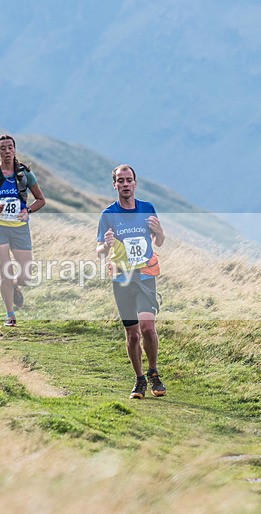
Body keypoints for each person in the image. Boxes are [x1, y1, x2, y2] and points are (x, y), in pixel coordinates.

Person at [96, 164, 167, 399]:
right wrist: (105, 244)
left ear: (135, 183)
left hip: (146, 276)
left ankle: (153, 372)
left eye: (129, 180)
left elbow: (159, 241)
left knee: (147, 327)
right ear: (114, 185)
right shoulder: (108, 214)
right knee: (133, 334)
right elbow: (99, 251)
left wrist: (160, 231)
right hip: (122, 279)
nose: (125, 184)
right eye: (120, 181)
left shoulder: (147, 208)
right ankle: (139, 380)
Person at [0, 134, 46, 326]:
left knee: (26, 276)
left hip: (19, 229)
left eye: (10, 147)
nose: (7, 151)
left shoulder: (25, 174)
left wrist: (28, 210)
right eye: (3, 148)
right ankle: (10, 314)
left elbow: (41, 200)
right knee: (5, 272)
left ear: (14, 150)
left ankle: (15, 286)